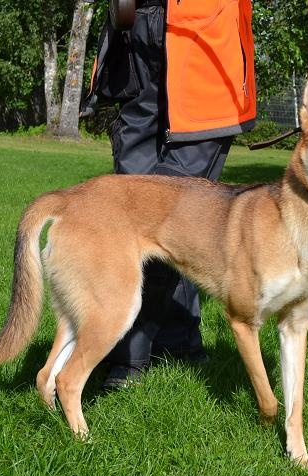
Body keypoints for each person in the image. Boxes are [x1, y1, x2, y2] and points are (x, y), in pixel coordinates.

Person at [85, 0, 256, 388]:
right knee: (129, 216)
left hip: (208, 50)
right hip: (133, 37)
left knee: (165, 218)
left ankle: (129, 356)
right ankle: (179, 341)